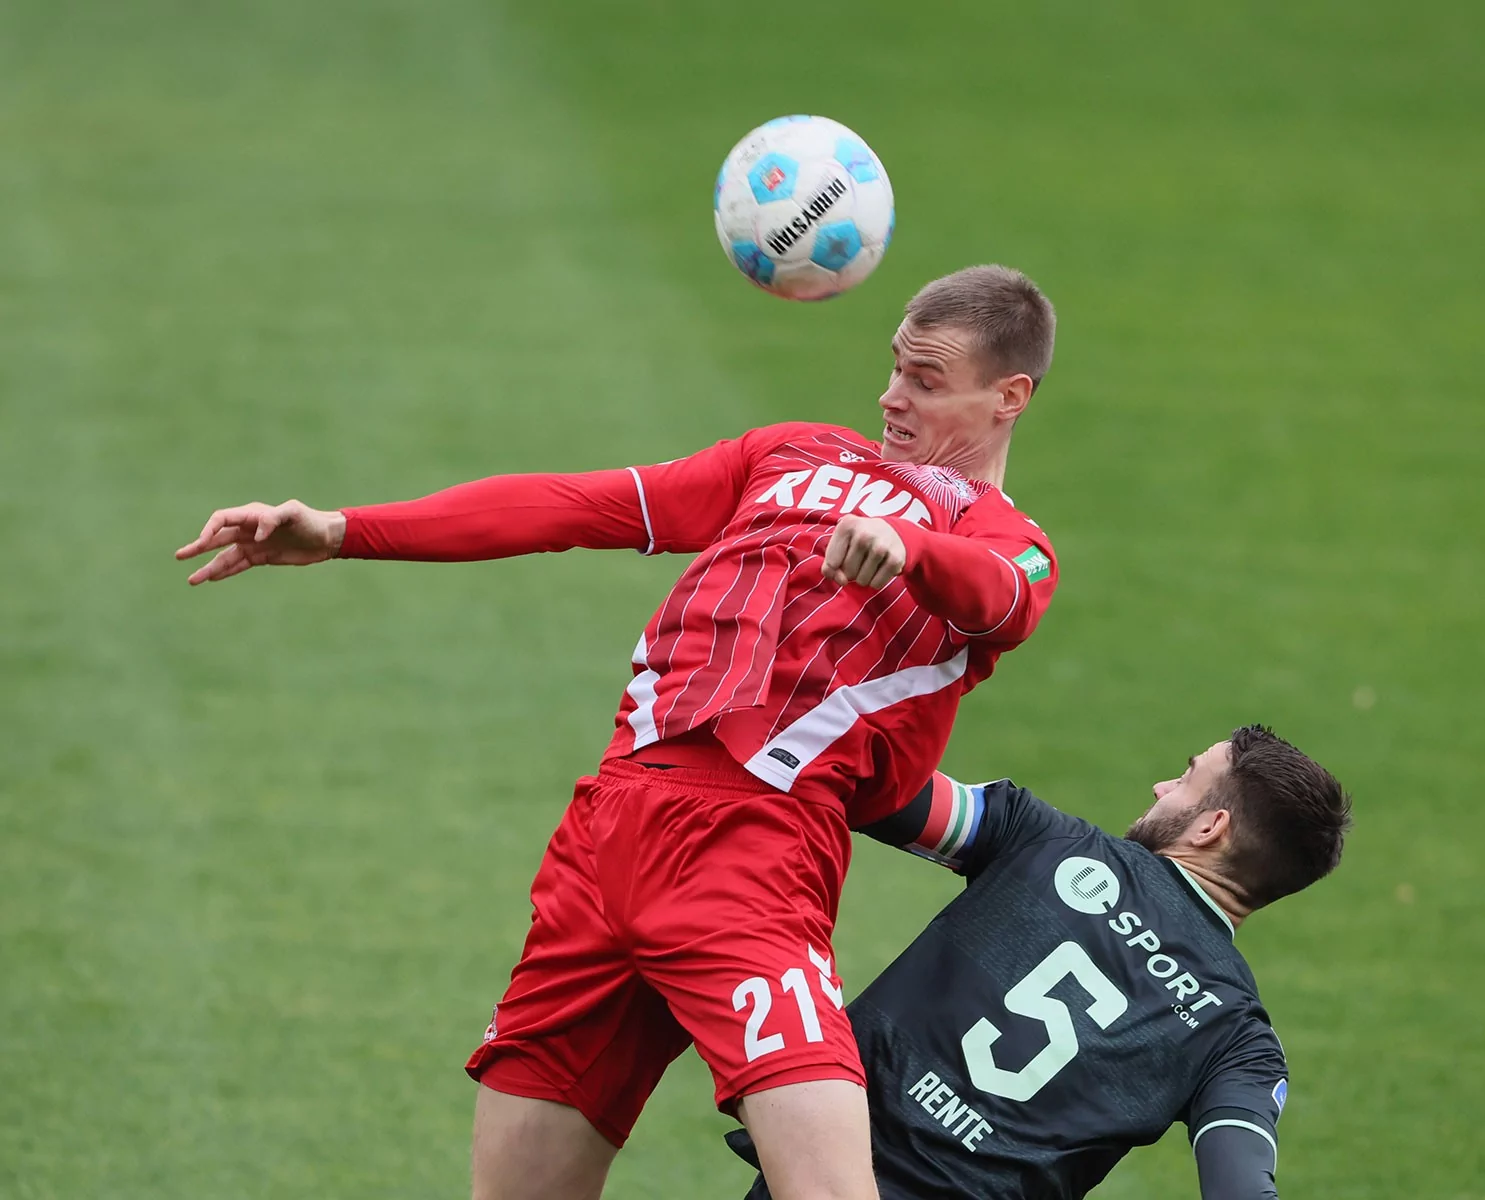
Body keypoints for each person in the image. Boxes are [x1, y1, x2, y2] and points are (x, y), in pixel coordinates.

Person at [175, 266, 1061, 1200]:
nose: (890, 396)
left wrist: (911, 550)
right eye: (893, 367)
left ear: (1009, 397)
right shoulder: (792, 453)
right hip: (605, 838)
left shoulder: (1007, 541)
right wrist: (344, 529)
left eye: (925, 380)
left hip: (749, 850)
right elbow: (573, 505)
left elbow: (1002, 597)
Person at [728, 725, 1352, 1199]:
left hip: (818, 1163)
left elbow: (864, 784)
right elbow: (1240, 1189)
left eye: (1185, 778)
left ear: (1211, 827)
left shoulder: (1044, 840)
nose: (1162, 788)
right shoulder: (1239, 1041)